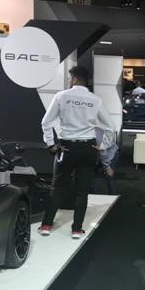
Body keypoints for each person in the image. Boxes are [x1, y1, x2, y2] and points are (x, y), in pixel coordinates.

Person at [39, 66, 115, 239]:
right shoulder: (95, 100)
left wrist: (50, 144)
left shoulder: (61, 96)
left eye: (69, 78)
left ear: (74, 79)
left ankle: (46, 225)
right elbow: (110, 126)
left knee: (58, 187)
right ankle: (76, 229)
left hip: (66, 148)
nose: (68, 81)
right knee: (82, 191)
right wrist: (103, 145)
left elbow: (46, 122)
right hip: (88, 148)